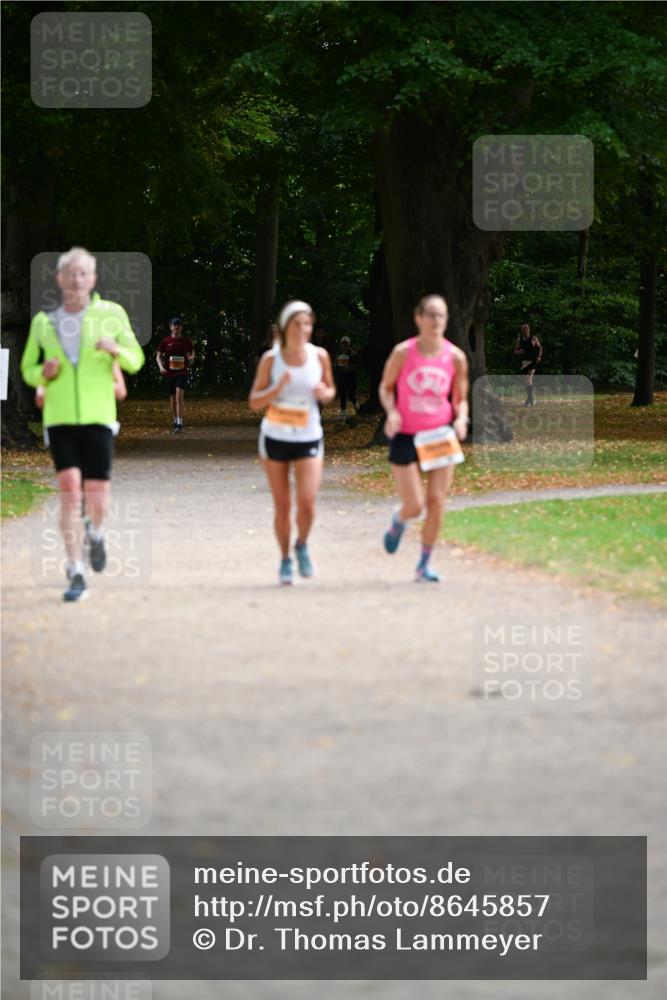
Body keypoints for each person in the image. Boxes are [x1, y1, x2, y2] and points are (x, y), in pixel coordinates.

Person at [20, 246, 145, 602]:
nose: (76, 279)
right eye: (70, 273)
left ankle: (96, 532)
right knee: (70, 489)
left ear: (92, 279)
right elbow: (28, 369)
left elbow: (136, 359)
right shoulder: (44, 322)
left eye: (82, 273)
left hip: (99, 416)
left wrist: (115, 350)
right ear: (59, 279)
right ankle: (76, 569)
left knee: (97, 496)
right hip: (59, 417)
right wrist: (42, 373)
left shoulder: (112, 315)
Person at [379, 293, 469, 582]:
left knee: (437, 501)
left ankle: (424, 564)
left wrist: (461, 418)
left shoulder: (455, 357)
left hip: (438, 435)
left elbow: (460, 399)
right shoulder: (403, 353)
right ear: (418, 318)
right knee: (415, 505)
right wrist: (392, 412)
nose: (436, 320)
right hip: (406, 435)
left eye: (441, 314)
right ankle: (399, 521)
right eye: (430, 314)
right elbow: (385, 388)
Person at [249, 300, 336, 585]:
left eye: (307, 324)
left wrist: (324, 393)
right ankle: (285, 559)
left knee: (307, 502)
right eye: (297, 324)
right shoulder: (271, 360)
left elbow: (330, 391)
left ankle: (302, 545)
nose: (303, 329)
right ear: (286, 327)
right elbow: (254, 401)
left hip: (308, 436)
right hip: (275, 437)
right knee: (283, 505)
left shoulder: (319, 356)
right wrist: (277, 388)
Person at [156, 316, 195, 432]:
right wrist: (161, 367)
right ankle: (175, 420)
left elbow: (192, 351)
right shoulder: (166, 341)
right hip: (169, 373)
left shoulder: (186, 341)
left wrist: (191, 357)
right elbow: (158, 356)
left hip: (182, 372)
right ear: (171, 327)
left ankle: (179, 422)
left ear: (181, 327)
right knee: (172, 398)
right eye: (174, 325)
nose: (176, 327)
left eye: (178, 325)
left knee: (179, 396)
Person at [513, 323, 542, 406]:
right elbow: (515, 351)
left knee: (528, 379)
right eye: (524, 330)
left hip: (533, 361)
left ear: (529, 330)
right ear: (522, 331)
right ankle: (531, 398)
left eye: (527, 329)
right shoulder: (519, 340)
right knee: (526, 381)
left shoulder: (533, 338)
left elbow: (540, 347)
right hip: (524, 362)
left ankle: (529, 400)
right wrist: (519, 352)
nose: (525, 331)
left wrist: (539, 356)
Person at [334, 336, 359, 415]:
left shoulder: (353, 354)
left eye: (346, 343)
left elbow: (356, 366)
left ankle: (355, 404)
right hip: (341, 377)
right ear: (341, 344)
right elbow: (335, 364)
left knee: (351, 395)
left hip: (351, 377)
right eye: (343, 343)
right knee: (342, 395)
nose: (345, 345)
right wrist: (338, 367)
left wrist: (348, 368)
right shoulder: (338, 354)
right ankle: (343, 411)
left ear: (349, 344)